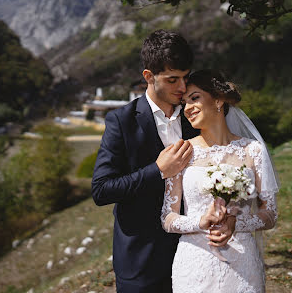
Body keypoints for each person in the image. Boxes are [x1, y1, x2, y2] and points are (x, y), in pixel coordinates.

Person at [92, 30, 234, 292]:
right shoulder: (121, 122)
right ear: (149, 76)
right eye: (172, 80)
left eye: (185, 78)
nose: (182, 88)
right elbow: (101, 190)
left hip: (198, 252)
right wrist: (157, 171)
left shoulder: (197, 117)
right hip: (141, 261)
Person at [161, 70, 280, 292]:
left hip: (243, 263)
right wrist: (199, 222)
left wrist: (237, 224)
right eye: (184, 102)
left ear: (218, 100)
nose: (187, 108)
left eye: (194, 97)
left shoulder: (253, 150)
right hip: (195, 263)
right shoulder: (181, 152)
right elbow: (167, 218)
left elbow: (270, 214)